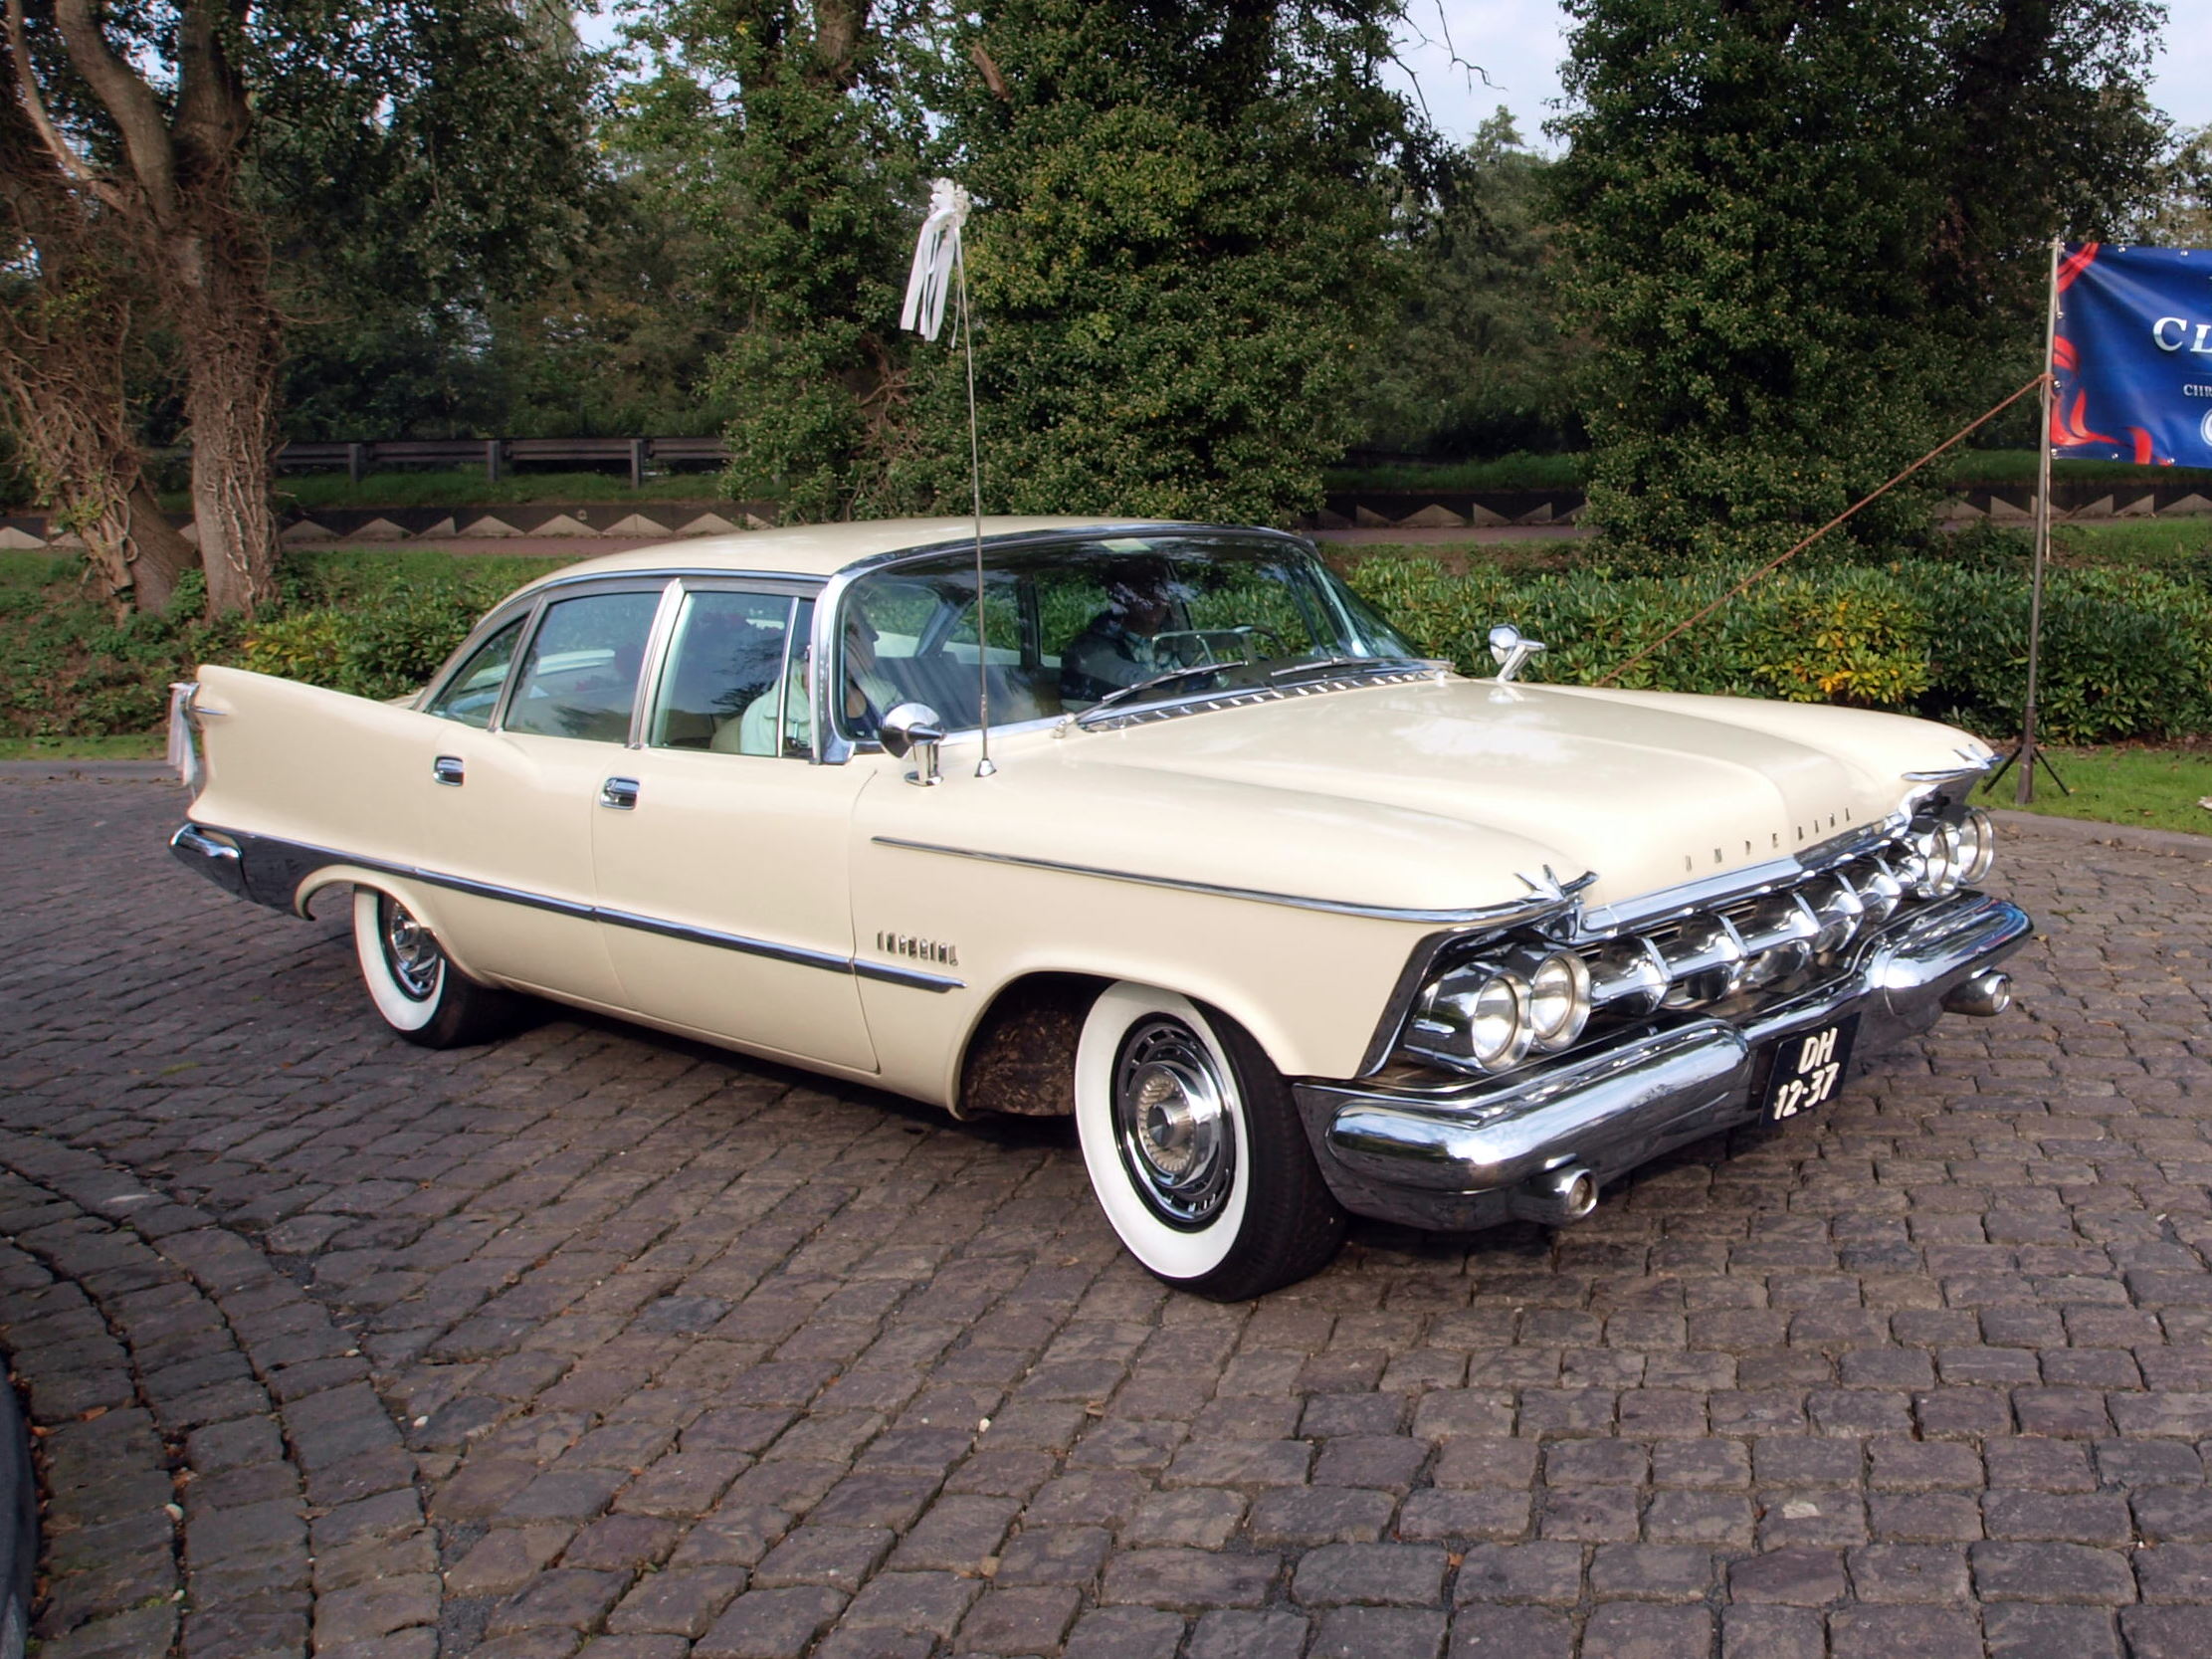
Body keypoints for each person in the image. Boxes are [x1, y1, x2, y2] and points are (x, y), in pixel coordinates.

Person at [1060, 560, 1179, 704]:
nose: (1156, 598)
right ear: (1120, 597)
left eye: (1162, 589)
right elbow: (1120, 675)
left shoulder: (1182, 638)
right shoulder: (1091, 648)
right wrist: (1177, 685)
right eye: (1144, 590)